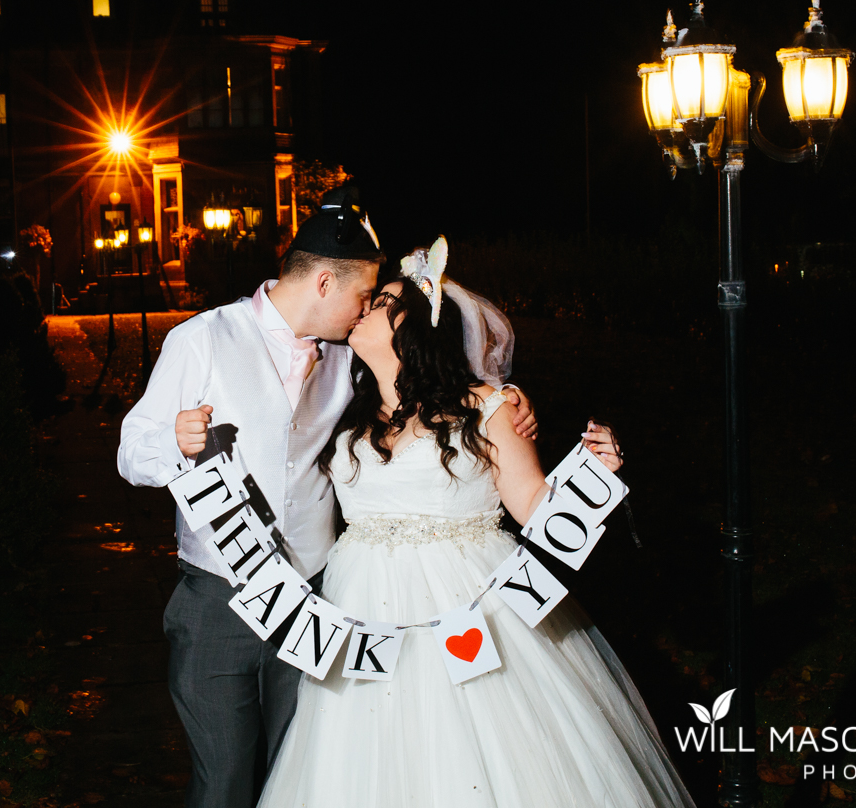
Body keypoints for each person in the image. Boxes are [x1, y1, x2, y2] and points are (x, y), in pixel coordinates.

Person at [117, 191, 539, 808]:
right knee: (224, 776)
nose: (366, 309)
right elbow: (131, 453)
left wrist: (511, 401)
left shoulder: (350, 355)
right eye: (362, 296)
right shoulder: (202, 339)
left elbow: (432, 385)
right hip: (220, 594)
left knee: (305, 769)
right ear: (322, 281)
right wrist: (174, 442)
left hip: (321, 599)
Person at [256, 239, 696, 808]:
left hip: (474, 604)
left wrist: (597, 473)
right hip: (361, 611)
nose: (363, 307)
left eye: (382, 300)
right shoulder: (344, 407)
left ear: (416, 325)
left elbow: (537, 507)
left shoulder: (486, 407)